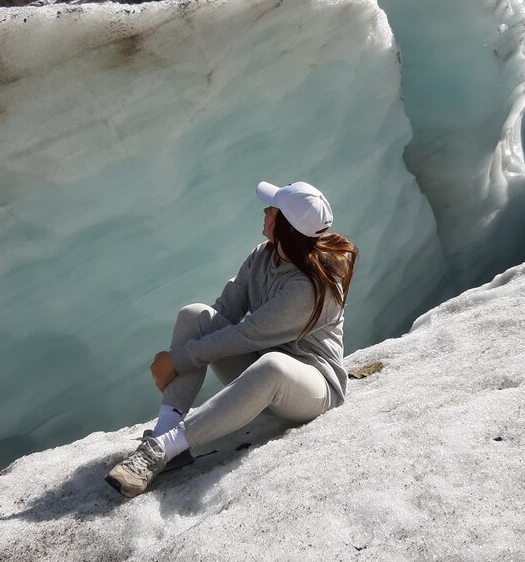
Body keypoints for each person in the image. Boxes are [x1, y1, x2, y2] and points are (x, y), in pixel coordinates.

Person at [105, 181, 358, 499]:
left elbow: (247, 333)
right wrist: (188, 349)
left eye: (272, 209)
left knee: (274, 365)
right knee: (195, 315)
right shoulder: (262, 256)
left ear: (286, 226)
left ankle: (164, 449)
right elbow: (225, 311)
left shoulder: (307, 286)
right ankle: (165, 432)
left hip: (312, 387)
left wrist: (179, 359)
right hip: (259, 366)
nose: (265, 212)